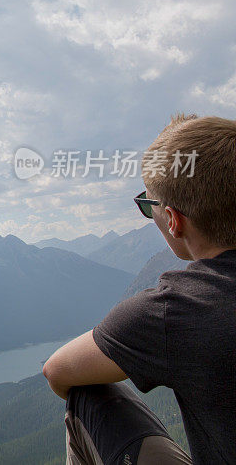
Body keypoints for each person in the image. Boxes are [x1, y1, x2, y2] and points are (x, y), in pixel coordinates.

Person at [43, 114, 236, 464]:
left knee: (84, 396)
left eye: (150, 207)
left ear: (174, 221)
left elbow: (57, 371)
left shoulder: (178, 309)